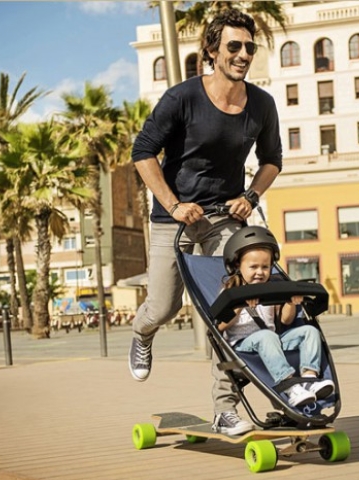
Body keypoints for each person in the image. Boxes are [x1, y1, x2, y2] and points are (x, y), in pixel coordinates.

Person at [128, 8, 283, 436]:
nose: (243, 54)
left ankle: (225, 408)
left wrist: (250, 196)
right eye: (234, 46)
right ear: (212, 51)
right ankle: (141, 334)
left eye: (249, 47)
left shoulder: (262, 105)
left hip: (222, 223)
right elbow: (142, 153)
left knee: (228, 311)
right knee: (163, 306)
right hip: (171, 220)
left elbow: (273, 161)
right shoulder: (182, 99)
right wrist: (174, 204)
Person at [219, 226, 336, 407]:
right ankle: (289, 386)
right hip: (243, 346)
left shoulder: (271, 287)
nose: (260, 272)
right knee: (267, 336)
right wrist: (240, 305)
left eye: (265, 267)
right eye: (253, 267)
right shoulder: (230, 291)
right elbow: (219, 327)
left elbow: (285, 321)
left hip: (273, 340)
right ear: (237, 265)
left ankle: (309, 379)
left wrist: (291, 302)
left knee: (309, 331)